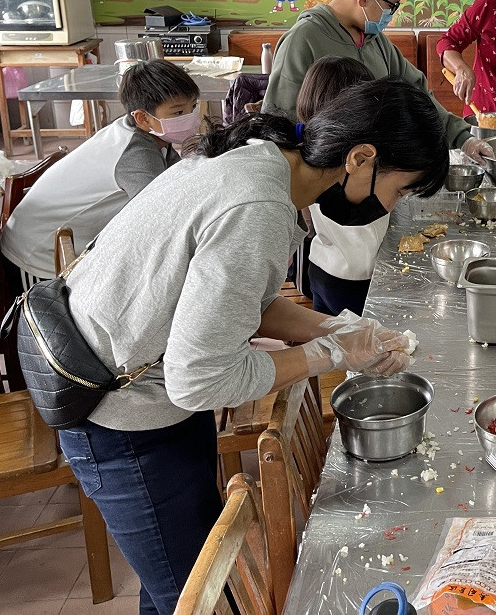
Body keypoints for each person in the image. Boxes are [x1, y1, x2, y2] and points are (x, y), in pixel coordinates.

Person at [58, 78, 444, 615]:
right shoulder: (258, 204)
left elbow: (242, 305)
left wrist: (335, 328)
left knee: (172, 573)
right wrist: (330, 356)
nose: (393, 205)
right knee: (194, 597)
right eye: (400, 189)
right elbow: (199, 380)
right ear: (361, 157)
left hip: (146, 389)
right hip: (117, 415)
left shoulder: (266, 160)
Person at [261, 0, 492, 163]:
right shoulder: (304, 39)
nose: (391, 15)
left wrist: (464, 138)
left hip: (371, 172)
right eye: (391, 6)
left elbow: (418, 94)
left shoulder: (376, 40)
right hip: (322, 173)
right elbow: (279, 122)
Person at [0, 59, 200, 281]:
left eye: (193, 107)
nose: (190, 117)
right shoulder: (135, 154)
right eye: (178, 112)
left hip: (60, 242)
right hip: (36, 257)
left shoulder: (152, 134)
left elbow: (179, 184)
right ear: (142, 117)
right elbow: (160, 218)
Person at [295, 56, 386, 316]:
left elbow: (308, 219)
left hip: (321, 267)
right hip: (356, 280)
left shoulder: (308, 151)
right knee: (358, 348)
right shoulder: (360, 160)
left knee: (330, 344)